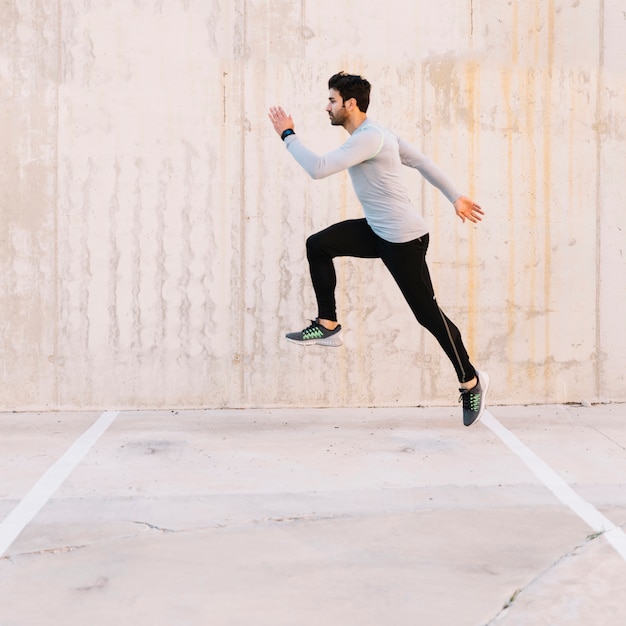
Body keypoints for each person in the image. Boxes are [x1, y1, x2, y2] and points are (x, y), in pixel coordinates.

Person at [268, 71, 489, 426]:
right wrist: (455, 196)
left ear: (350, 104)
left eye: (332, 100)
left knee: (427, 315)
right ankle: (327, 323)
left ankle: (471, 380)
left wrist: (288, 135)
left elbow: (319, 169)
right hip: (378, 230)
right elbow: (422, 163)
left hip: (404, 239)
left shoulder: (369, 138)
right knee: (319, 245)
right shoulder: (378, 135)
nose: (327, 107)